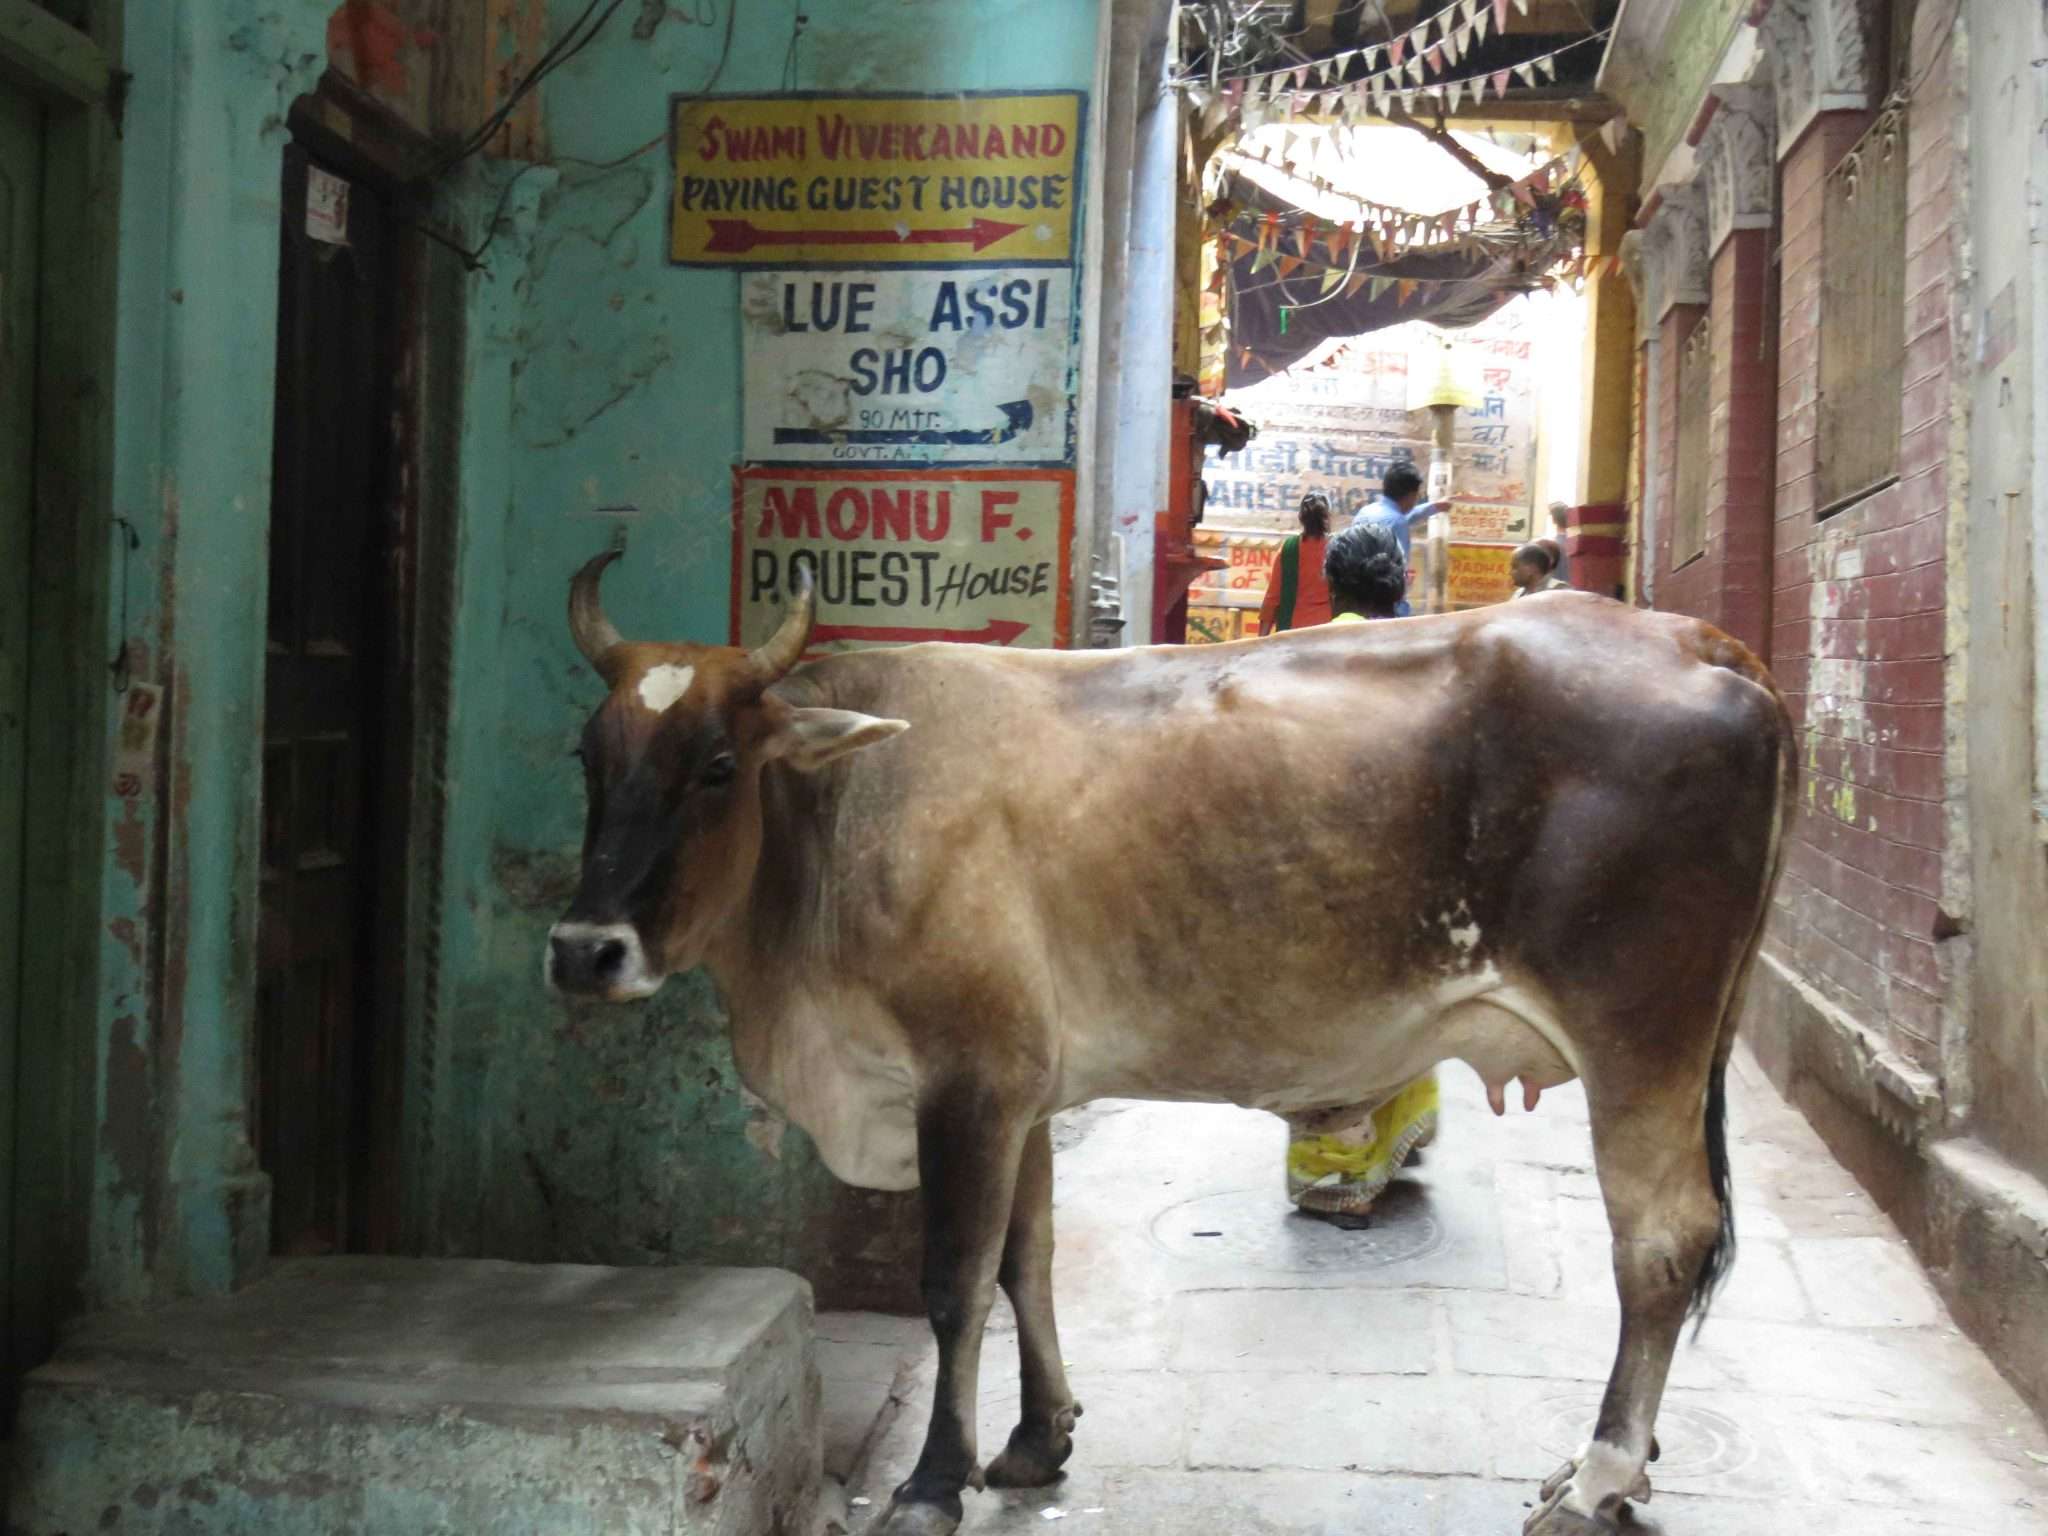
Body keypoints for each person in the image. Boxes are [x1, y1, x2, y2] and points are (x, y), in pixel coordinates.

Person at [1278, 520, 1441, 1229]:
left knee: (1326, 1025)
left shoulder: (1294, 658)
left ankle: (1337, 1181)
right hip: (1401, 866)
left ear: (1330, 583)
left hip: (1318, 869)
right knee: (1398, 1007)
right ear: (1396, 587)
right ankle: (1396, 1144)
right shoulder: (1418, 660)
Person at [1352, 465, 1450, 617]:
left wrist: (1435, 507)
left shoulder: (1366, 512)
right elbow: (1397, 574)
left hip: (1359, 602)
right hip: (1386, 609)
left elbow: (1405, 515)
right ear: (1411, 495)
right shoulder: (1398, 523)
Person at [1257, 492, 1336, 634]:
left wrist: (1261, 641)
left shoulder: (1289, 549)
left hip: (1292, 632)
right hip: (1327, 632)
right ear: (1327, 517)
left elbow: (1272, 598)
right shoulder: (1337, 548)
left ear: (1301, 517)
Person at [1546, 502, 1573, 587]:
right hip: (1574, 590)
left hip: (1555, 589)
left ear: (1553, 520)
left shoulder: (1550, 545)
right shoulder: (1575, 543)